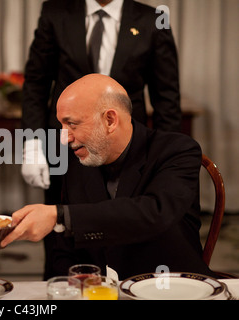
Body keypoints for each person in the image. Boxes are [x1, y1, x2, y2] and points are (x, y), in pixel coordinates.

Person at [21, 0, 181, 279]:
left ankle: (133, 282)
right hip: (65, 142)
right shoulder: (56, 11)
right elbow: (36, 81)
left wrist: (164, 153)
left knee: (130, 223)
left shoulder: (153, 18)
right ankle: (61, 285)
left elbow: (166, 94)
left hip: (128, 146)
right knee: (61, 235)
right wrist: (32, 142)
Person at [2, 74, 216, 280]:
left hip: (173, 287)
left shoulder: (176, 150)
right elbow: (65, 249)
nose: (64, 138)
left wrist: (59, 215)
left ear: (110, 120)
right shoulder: (78, 160)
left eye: (72, 124)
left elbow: (154, 212)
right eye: (61, 125)